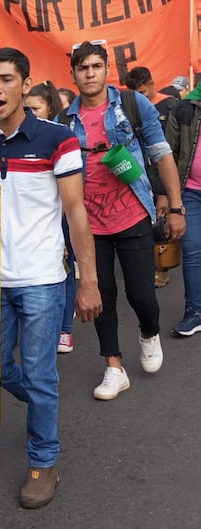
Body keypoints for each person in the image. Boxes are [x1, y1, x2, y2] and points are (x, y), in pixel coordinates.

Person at [0, 47, 102, 508]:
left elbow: (76, 209)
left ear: (25, 85)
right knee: (0, 367)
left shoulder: (57, 139)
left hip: (44, 278)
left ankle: (43, 459)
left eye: (6, 79)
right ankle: (46, 405)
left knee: (41, 375)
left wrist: (88, 280)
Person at [66, 40, 185, 400]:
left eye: (95, 66)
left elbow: (161, 154)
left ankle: (149, 333)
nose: (89, 73)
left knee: (142, 296)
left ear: (106, 70)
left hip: (133, 214)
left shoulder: (134, 105)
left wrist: (176, 206)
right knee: (101, 295)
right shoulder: (65, 120)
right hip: (88, 223)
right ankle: (113, 367)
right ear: (73, 74)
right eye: (82, 67)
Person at [25, 81, 76, 353]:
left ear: (50, 108)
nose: (29, 114)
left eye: (35, 108)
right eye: (26, 108)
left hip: (63, 215)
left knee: (64, 268)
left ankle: (65, 329)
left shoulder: (61, 137)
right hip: (37, 219)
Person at [125, 66, 180, 288]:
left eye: (144, 93)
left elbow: (169, 153)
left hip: (163, 170)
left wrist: (165, 192)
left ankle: (162, 268)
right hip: (139, 172)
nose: (142, 99)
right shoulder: (129, 108)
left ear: (152, 85)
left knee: (162, 224)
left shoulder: (170, 105)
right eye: (136, 95)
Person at [166, 81, 201, 335]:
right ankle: (195, 312)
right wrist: (166, 196)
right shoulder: (184, 108)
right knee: (192, 250)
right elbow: (166, 152)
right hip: (190, 192)